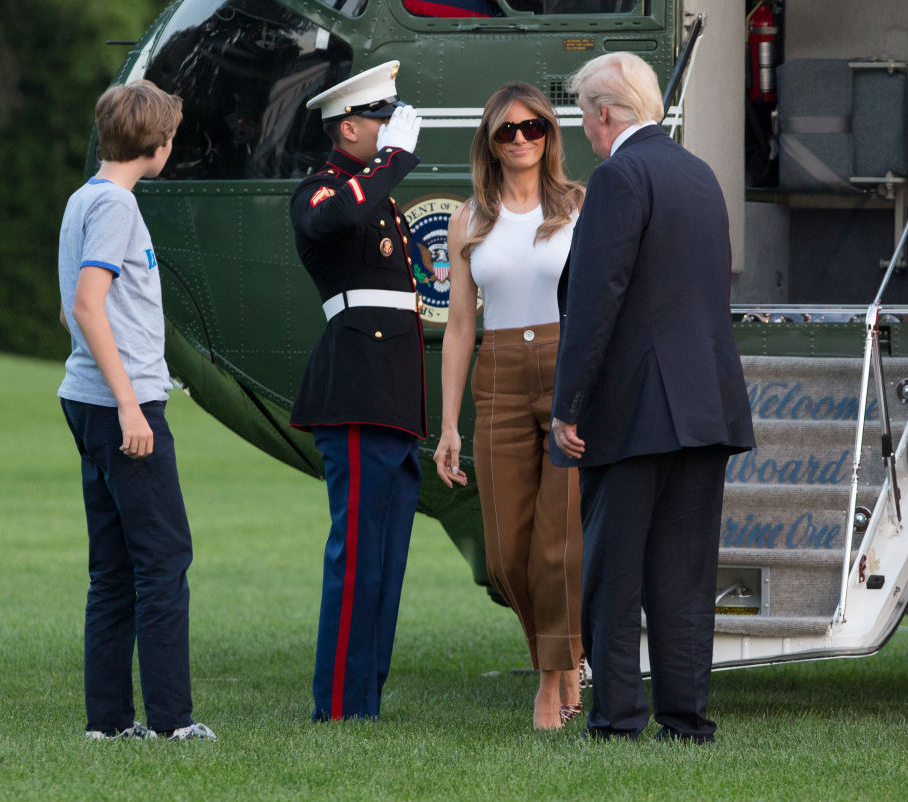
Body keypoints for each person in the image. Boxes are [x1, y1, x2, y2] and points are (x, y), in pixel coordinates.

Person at [550, 53, 756, 743]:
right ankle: (687, 717)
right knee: (686, 579)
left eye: (583, 115)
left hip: (635, 408)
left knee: (615, 577)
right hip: (706, 407)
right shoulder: (700, 176)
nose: (584, 129)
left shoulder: (618, 176)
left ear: (606, 113)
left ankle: (615, 718)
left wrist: (568, 404)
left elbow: (596, 300)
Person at [57, 79, 215, 741]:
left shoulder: (84, 198)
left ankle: (110, 723)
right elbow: (88, 304)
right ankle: (174, 723)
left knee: (116, 566)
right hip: (123, 407)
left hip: (85, 399)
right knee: (163, 559)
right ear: (159, 144)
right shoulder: (116, 206)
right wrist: (130, 406)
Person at [433, 82, 585, 731]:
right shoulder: (469, 219)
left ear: (550, 136)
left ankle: (552, 679)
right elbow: (461, 324)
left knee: (556, 544)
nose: (521, 139)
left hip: (565, 371)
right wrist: (447, 426)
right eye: (507, 131)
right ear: (490, 143)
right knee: (503, 555)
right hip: (495, 374)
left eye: (533, 128)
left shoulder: (578, 207)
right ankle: (562, 653)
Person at [289, 61, 425, 721]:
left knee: (387, 561)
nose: (390, 127)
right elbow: (327, 222)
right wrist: (395, 157)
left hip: (391, 397)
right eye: (380, 118)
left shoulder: (375, 195)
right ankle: (339, 706)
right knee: (358, 557)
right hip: (355, 391)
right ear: (350, 126)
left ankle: (364, 698)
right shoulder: (324, 188)